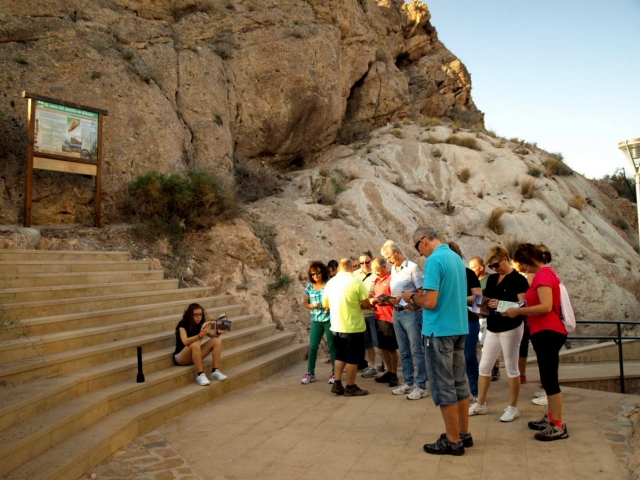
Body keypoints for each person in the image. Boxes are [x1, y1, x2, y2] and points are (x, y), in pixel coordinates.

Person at [403, 227, 471, 456]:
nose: (419, 254)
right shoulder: (456, 258)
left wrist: (411, 297)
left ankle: (452, 441)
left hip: (439, 332)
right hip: (459, 327)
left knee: (444, 387)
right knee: (460, 383)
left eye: (417, 248)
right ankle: (463, 433)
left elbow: (431, 301)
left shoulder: (434, 261)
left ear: (422, 241)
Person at [503, 243, 569, 441]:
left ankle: (558, 425)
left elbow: (546, 306)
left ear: (529, 259)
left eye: (523, 264)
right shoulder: (546, 273)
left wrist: (519, 311)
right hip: (546, 331)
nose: (523, 269)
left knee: (550, 380)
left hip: (549, 331)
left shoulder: (542, 275)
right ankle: (551, 418)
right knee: (547, 377)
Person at [468, 246, 528, 422]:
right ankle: (480, 403)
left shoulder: (518, 280)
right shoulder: (493, 278)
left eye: (496, 265)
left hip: (511, 325)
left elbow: (523, 305)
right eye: (491, 266)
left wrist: (501, 304)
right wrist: (479, 308)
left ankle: (513, 406)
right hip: (493, 325)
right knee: (484, 366)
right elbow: (485, 300)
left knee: (511, 367)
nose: (494, 269)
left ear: (505, 259)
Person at [381, 240, 428, 400]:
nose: (388, 261)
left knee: (416, 350)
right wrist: (393, 299)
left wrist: (412, 301)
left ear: (397, 252)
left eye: (389, 257)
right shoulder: (394, 269)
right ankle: (409, 382)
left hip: (411, 312)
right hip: (397, 311)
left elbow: (422, 292)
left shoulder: (413, 268)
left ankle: (421, 385)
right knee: (404, 351)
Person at [322, 258, 372, 396]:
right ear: (351, 268)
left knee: (340, 356)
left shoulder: (331, 283)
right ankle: (350, 386)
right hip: (353, 327)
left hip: (337, 326)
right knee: (353, 358)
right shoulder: (357, 282)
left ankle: (337, 384)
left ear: (338, 268)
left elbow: (325, 304)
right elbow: (365, 304)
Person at [448, 242, 482, 401]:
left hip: (468, 320)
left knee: (468, 356)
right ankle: (457, 392)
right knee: (451, 359)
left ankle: (475, 392)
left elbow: (478, 298)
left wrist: (458, 300)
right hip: (448, 322)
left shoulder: (468, 273)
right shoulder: (443, 275)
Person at [174, 303, 227, 386]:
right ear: (190, 315)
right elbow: (185, 341)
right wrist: (201, 335)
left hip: (194, 355)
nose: (198, 317)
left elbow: (212, 336)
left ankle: (215, 371)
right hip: (181, 357)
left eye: (200, 314)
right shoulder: (182, 324)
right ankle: (200, 374)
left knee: (217, 341)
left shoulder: (201, 324)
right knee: (195, 344)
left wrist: (218, 332)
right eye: (195, 315)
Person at [301, 261, 335, 385]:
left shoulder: (329, 285)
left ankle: (335, 373)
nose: (316, 276)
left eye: (318, 273)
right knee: (313, 346)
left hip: (329, 319)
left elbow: (335, 299)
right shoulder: (309, 287)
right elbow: (305, 303)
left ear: (323, 272)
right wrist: (311, 305)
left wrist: (329, 306)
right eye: (313, 274)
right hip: (316, 320)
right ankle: (310, 373)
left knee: (332, 346)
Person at [369, 257, 399, 387]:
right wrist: (373, 300)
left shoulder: (392, 279)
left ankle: (394, 374)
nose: (376, 273)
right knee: (382, 348)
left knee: (391, 348)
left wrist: (382, 301)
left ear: (384, 267)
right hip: (378, 316)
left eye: (377, 270)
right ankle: (388, 371)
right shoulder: (377, 280)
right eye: (374, 271)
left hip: (389, 317)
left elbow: (396, 299)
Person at [471, 256, 500, 381]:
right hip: (476, 316)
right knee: (479, 345)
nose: (471, 269)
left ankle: (494, 368)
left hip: (488, 317)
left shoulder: (490, 279)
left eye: (473, 267)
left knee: (488, 345)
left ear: (481, 267)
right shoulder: (473, 279)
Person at [353, 251, 381, 378]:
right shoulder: (354, 275)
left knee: (380, 343)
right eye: (361, 263)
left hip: (376, 314)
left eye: (367, 262)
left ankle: (387, 368)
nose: (364, 265)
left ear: (371, 260)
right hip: (361, 314)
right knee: (367, 343)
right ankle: (373, 366)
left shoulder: (376, 273)